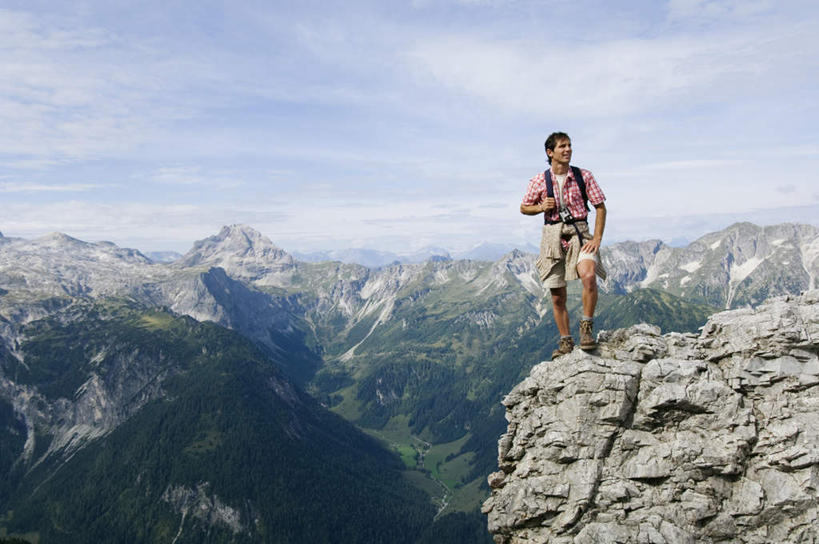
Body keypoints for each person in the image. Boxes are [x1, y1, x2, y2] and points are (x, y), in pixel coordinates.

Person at [520, 132, 607, 359]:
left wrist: (596, 239)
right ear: (550, 153)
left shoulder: (583, 176)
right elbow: (523, 207)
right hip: (552, 236)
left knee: (588, 276)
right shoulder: (539, 181)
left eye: (569, 146)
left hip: (580, 232)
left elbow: (600, 207)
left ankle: (586, 329)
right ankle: (566, 340)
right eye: (562, 146)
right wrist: (540, 207)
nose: (568, 149)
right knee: (557, 295)